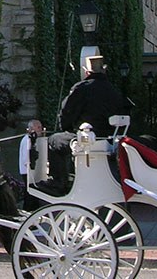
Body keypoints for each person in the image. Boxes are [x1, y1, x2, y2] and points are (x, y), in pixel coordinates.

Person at [43, 57, 132, 194]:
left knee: (54, 140)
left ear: (86, 72)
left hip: (87, 140)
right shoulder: (113, 91)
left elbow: (66, 113)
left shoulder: (82, 88)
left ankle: (59, 182)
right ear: (104, 71)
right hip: (110, 140)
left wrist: (65, 128)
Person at [18, 119, 45, 207]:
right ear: (31, 129)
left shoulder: (32, 140)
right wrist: (31, 168)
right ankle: (28, 208)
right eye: (38, 127)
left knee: (31, 192)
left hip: (30, 170)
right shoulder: (27, 140)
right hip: (27, 171)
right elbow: (26, 157)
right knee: (30, 191)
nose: (41, 129)